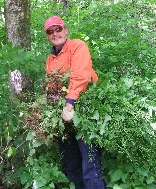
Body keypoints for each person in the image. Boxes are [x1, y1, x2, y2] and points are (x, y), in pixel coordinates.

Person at [44, 16, 106, 189]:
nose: (55, 34)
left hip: (83, 109)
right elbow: (52, 86)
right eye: (50, 31)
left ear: (65, 29)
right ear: (47, 35)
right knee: (70, 163)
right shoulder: (50, 59)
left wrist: (69, 103)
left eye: (58, 29)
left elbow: (81, 75)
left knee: (90, 163)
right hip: (63, 114)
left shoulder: (77, 46)